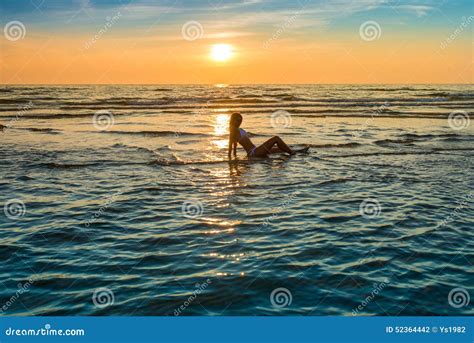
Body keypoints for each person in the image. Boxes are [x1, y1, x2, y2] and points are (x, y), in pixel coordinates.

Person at [228, 112, 295, 159]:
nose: (239, 122)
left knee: (279, 149)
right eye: (237, 120)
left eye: (240, 120)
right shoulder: (233, 130)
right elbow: (230, 147)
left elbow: (235, 148)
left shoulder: (238, 129)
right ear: (232, 120)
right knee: (276, 138)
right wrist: (231, 159)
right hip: (253, 153)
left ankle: (298, 151)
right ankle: (292, 153)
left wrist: (235, 157)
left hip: (256, 150)